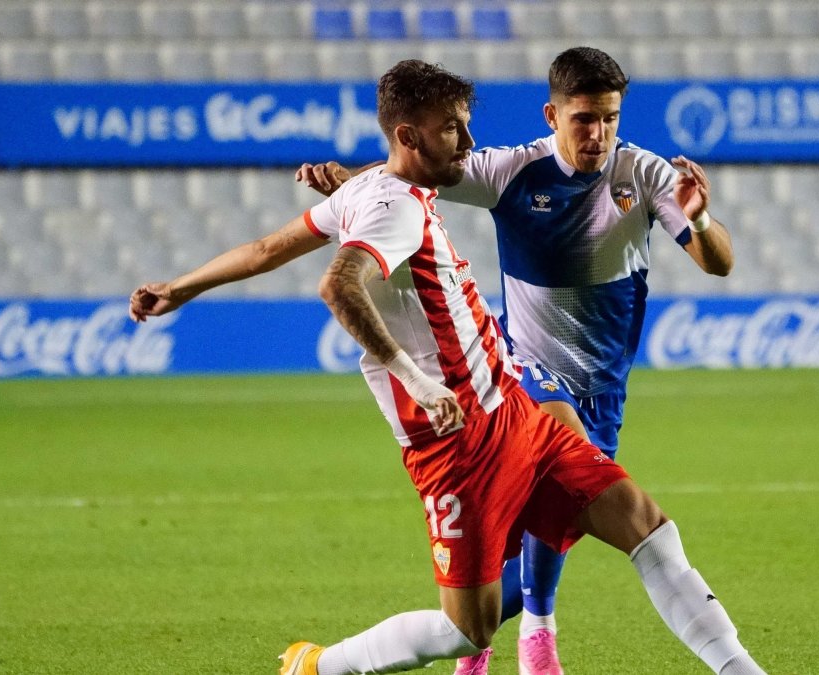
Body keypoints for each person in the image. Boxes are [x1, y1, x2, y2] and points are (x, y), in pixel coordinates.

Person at [130, 60, 764, 675]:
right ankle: (321, 665)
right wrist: (417, 378)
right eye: (453, 128)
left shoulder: (378, 190)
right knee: (468, 629)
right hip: (458, 445)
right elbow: (338, 286)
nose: (469, 140)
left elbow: (267, 248)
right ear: (409, 137)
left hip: (514, 411)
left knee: (645, 525)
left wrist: (180, 288)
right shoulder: (397, 206)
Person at [296, 46, 735, 675]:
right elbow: (421, 163)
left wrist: (703, 217)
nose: (599, 133)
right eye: (584, 118)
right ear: (552, 114)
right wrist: (355, 182)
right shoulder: (510, 170)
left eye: (610, 118)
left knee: (535, 549)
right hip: (522, 372)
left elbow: (717, 262)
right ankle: (540, 638)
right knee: (618, 520)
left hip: (602, 385)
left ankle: (467, 647)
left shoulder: (647, 175)